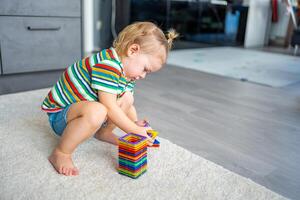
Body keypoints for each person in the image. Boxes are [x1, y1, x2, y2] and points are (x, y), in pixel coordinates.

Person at [41, 21, 178, 176]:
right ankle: (61, 153)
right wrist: (134, 130)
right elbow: (110, 107)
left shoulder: (127, 73)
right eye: (145, 69)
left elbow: (127, 106)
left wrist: (134, 124)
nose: (143, 75)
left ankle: (103, 133)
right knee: (98, 110)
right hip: (62, 117)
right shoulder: (108, 65)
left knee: (127, 97)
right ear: (133, 50)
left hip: (81, 110)